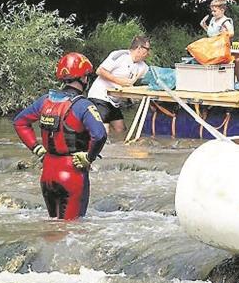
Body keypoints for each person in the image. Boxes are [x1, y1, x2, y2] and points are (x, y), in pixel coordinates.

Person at [12, 52, 108, 220]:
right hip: (72, 175)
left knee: (53, 226)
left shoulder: (44, 101)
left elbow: (19, 122)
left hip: (47, 174)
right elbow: (99, 135)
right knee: (70, 230)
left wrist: (37, 148)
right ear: (84, 78)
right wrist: (89, 157)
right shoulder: (83, 105)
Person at [86, 36, 152, 136]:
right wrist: (119, 81)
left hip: (114, 101)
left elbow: (154, 75)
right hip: (99, 96)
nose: (148, 53)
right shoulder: (120, 55)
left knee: (121, 130)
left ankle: (116, 150)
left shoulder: (142, 65)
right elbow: (100, 70)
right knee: (103, 131)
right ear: (139, 48)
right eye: (147, 50)